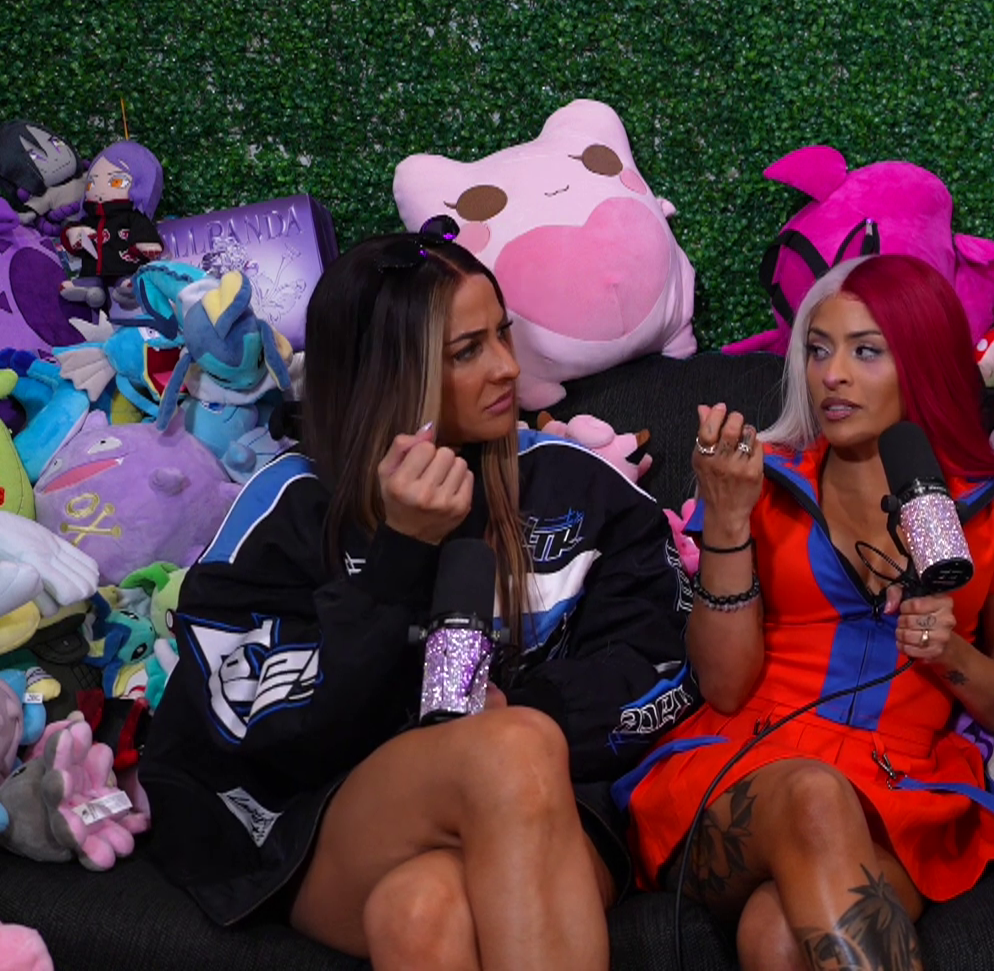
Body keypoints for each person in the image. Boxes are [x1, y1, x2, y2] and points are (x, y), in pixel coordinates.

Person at [142, 223, 695, 971]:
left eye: (503, 335)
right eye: (468, 351)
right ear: (385, 373)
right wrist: (401, 554)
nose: (507, 367)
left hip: (548, 814)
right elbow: (275, 735)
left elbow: (663, 663)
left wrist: (523, 706)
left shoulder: (573, 484)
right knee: (510, 747)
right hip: (337, 815)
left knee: (424, 909)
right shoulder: (292, 505)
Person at [623, 254, 994, 970]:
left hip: (897, 790)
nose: (832, 375)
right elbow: (723, 687)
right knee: (814, 794)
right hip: (739, 772)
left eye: (866, 351)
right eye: (819, 350)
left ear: (924, 363)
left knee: (776, 936)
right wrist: (727, 520)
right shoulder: (762, 481)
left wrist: (951, 653)